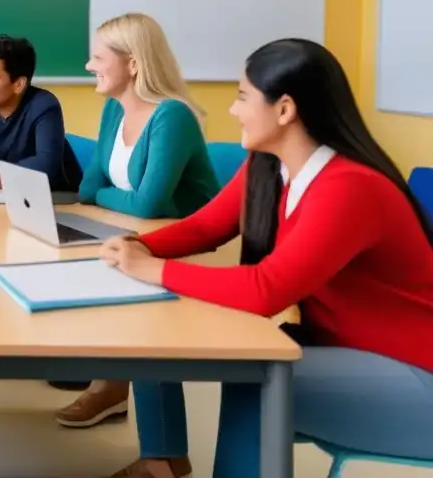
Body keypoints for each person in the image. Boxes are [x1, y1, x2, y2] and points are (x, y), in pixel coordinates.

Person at [99, 38, 433, 478]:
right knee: (248, 367)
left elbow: (265, 289)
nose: (233, 110)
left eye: (242, 97)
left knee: (256, 378)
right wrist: (135, 247)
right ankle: (168, 461)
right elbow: (205, 227)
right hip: (352, 352)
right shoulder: (269, 165)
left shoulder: (350, 187)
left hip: (416, 377)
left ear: (285, 109)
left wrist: (152, 269)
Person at [56, 13, 221, 429]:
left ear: (132, 64)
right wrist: (119, 198)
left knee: (128, 286)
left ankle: (120, 402)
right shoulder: (114, 110)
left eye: (97, 58)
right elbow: (88, 187)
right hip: (141, 232)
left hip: (197, 245)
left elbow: (148, 202)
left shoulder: (172, 116)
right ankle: (108, 383)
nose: (89, 66)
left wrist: (116, 198)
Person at [0, 35, 82, 192]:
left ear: (19, 84)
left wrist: (0, 175)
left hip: (57, 197)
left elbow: (46, 164)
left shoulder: (44, 105)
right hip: (5, 195)